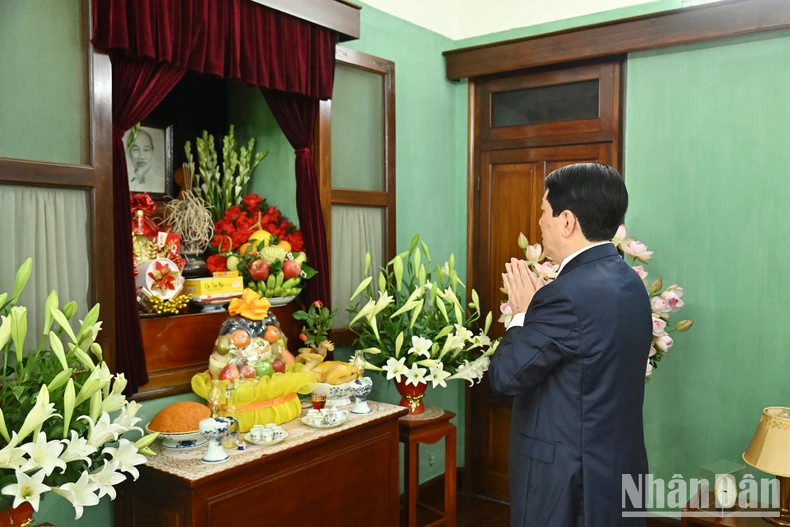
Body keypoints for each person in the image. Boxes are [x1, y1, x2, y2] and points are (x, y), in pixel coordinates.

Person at [490, 163, 652, 527]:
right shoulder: (630, 282)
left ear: (567, 222)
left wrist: (521, 315)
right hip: (620, 467)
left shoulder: (564, 296)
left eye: (544, 212)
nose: (540, 223)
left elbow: (504, 377)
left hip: (567, 480)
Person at [127, 129, 162, 193]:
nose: (141, 156)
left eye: (146, 150)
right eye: (136, 149)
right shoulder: (122, 182)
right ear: (129, 153)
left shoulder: (161, 183)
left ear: (152, 152)